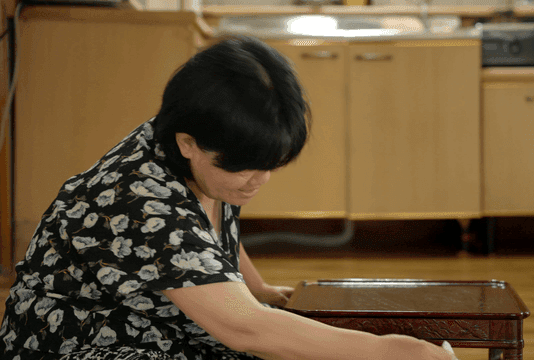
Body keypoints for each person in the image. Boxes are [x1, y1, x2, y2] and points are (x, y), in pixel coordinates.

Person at [0, 36, 458, 360]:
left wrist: (255, 288)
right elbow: (244, 329)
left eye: (270, 165)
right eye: (243, 168)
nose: (257, 181)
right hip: (81, 344)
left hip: (156, 326)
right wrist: (388, 352)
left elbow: (208, 234)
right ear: (187, 143)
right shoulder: (139, 201)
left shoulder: (203, 148)